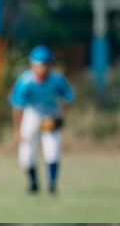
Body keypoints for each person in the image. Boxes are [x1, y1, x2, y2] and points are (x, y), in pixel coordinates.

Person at [10, 45, 75, 194]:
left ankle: (52, 184)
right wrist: (17, 130)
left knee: (52, 150)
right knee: (26, 153)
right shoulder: (25, 82)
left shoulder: (57, 79)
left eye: (46, 64)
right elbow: (17, 107)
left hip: (51, 114)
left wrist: (61, 117)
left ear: (50, 64)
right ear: (32, 64)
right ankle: (33, 183)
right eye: (40, 64)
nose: (43, 68)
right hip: (31, 114)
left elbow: (68, 98)